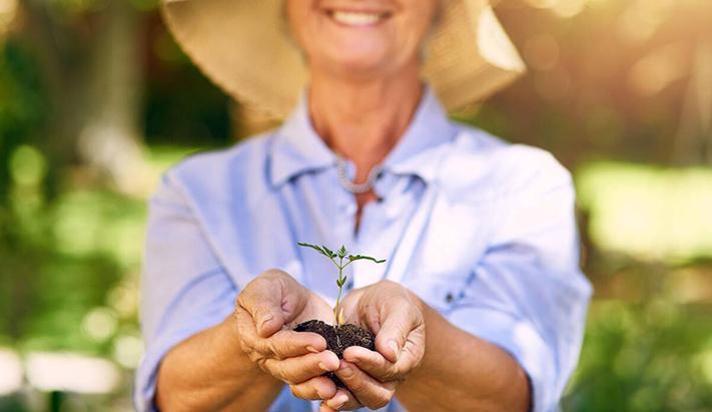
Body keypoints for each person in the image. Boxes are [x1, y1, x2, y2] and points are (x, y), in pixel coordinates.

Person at [135, 0, 592, 411]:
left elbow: (512, 400)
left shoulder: (524, 185)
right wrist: (249, 341)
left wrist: (419, 336)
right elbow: (176, 399)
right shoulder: (198, 191)